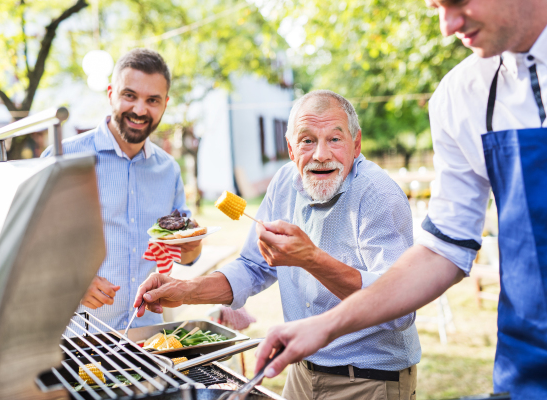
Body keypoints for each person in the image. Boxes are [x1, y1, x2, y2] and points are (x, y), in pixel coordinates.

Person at [254, 1, 547, 399]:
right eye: (437, 6)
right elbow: (443, 248)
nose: (448, 26)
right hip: (529, 358)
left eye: (458, 1)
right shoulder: (459, 97)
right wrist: (325, 325)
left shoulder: (375, 189)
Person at [134, 90, 420, 400]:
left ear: (357, 144)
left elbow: (399, 309)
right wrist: (186, 290)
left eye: (334, 140)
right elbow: (253, 267)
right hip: (301, 372)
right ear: (290, 148)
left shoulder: (379, 196)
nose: (321, 154)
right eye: (307, 140)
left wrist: (310, 259)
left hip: (367, 379)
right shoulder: (284, 183)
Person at [42, 48, 202, 331]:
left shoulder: (169, 170)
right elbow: (29, 249)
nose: (140, 110)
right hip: (76, 340)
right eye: (130, 95)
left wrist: (192, 246)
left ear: (165, 104)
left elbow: (186, 255)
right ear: (110, 94)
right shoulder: (61, 159)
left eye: (152, 100)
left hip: (146, 338)